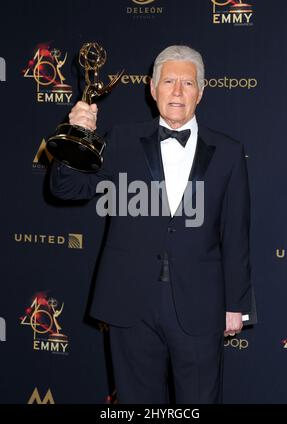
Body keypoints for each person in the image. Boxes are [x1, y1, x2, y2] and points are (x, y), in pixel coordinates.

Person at [50, 45, 251, 404]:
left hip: (201, 305)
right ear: (152, 87)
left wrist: (235, 304)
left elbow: (235, 233)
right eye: (168, 81)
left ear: (201, 92)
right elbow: (66, 188)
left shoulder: (229, 151)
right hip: (130, 302)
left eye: (187, 83)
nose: (177, 91)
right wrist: (75, 135)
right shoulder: (121, 139)